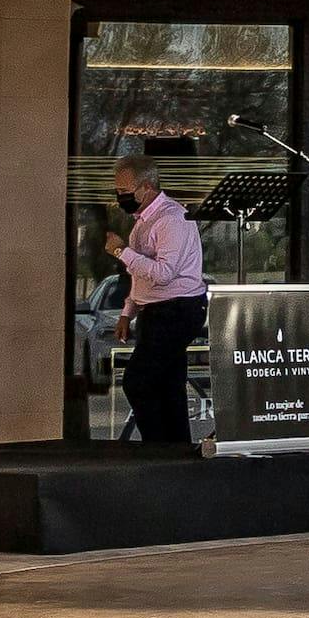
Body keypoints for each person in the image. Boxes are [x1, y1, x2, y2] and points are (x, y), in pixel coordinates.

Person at [105, 153, 208, 445]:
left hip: (177, 308)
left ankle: (157, 446)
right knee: (168, 383)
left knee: (138, 380)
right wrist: (128, 311)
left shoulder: (170, 219)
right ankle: (176, 449)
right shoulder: (143, 222)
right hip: (155, 309)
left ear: (147, 187)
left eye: (125, 191)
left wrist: (120, 251)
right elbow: (142, 277)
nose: (120, 197)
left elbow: (163, 273)